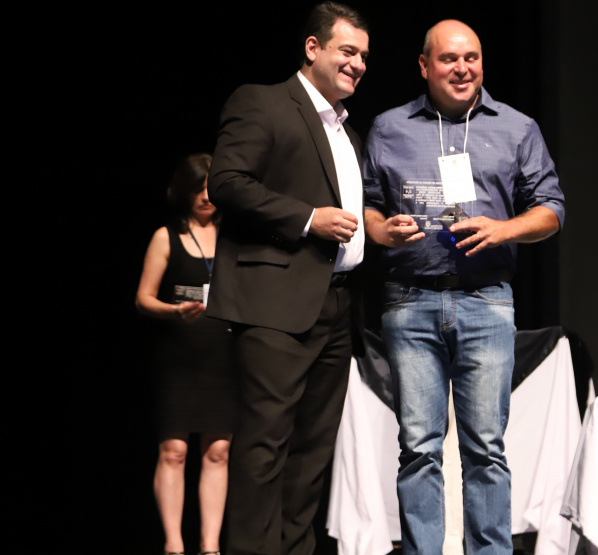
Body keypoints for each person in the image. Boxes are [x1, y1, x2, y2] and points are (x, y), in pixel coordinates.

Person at [362, 20, 565, 554]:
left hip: (487, 300)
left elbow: (552, 210)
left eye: (471, 58)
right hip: (410, 299)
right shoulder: (388, 127)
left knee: (486, 450)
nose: (462, 68)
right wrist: (381, 229)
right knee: (419, 448)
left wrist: (505, 228)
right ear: (425, 66)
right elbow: (367, 204)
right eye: (449, 59)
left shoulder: (517, 127)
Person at [205, 2, 368, 554]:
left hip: (337, 305)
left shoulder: (347, 130)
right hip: (273, 303)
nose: (358, 64)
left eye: (364, 56)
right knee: (265, 447)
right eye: (348, 51)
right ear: (313, 48)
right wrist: (308, 218)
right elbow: (226, 181)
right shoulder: (265, 101)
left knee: (313, 452)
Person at [135, 153, 236, 555]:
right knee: (174, 450)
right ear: (184, 191)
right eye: (198, 188)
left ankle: (210, 546)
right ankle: (174, 545)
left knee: (218, 450)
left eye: (211, 187)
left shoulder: (233, 235)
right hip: (181, 357)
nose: (206, 196)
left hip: (225, 356)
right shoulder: (167, 235)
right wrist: (175, 310)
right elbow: (142, 299)